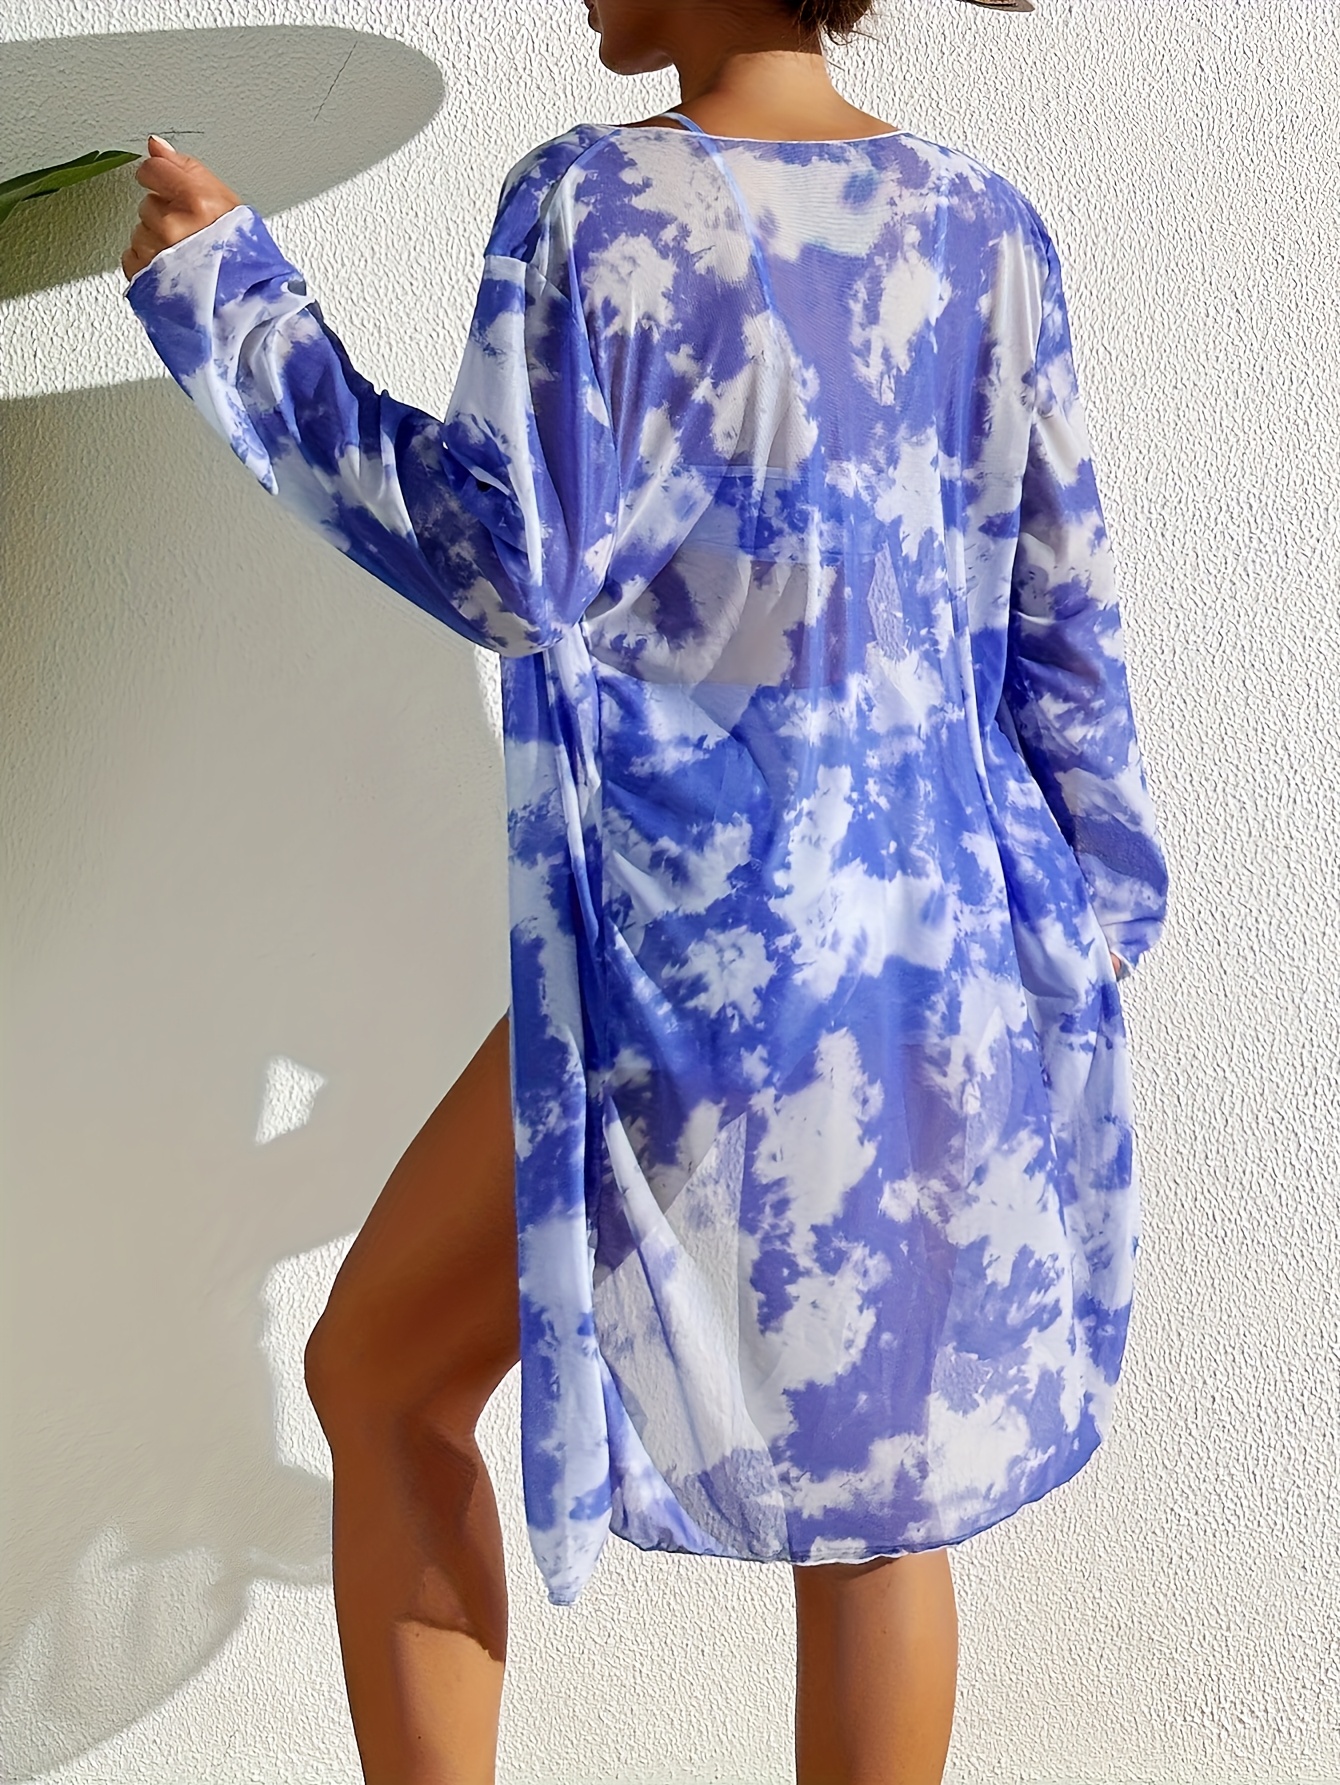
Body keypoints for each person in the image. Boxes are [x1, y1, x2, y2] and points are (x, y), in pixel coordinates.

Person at [121, 0, 1169, 1779]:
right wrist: (1088, 929)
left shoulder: (598, 202)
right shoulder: (984, 221)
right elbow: (1061, 617)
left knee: (381, 1380)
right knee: (884, 1501)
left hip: (714, 961)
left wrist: (231, 302)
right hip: (947, 955)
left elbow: (503, 564)